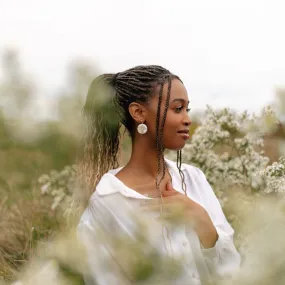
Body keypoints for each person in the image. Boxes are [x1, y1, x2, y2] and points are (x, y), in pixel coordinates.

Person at [77, 65, 241, 285]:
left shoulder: (193, 179)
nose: (187, 119)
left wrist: (201, 219)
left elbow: (232, 272)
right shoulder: (106, 204)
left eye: (187, 109)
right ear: (139, 113)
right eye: (177, 108)